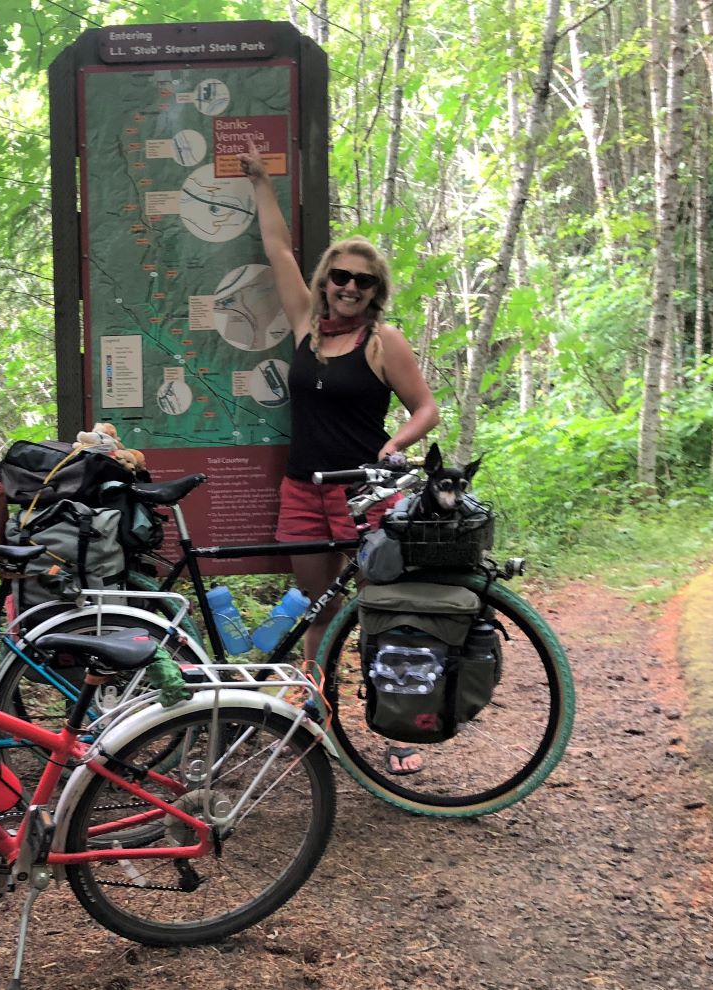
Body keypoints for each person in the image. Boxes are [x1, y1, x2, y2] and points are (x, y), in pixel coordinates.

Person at [238, 138, 440, 776]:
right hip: (303, 489)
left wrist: (396, 445)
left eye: (363, 280)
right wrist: (260, 181)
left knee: (380, 612)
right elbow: (279, 252)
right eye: (341, 276)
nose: (349, 287)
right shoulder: (306, 326)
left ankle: (396, 729)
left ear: (375, 291)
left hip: (366, 494)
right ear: (326, 281)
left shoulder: (382, 342)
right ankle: (315, 718)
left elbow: (426, 409)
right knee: (317, 609)